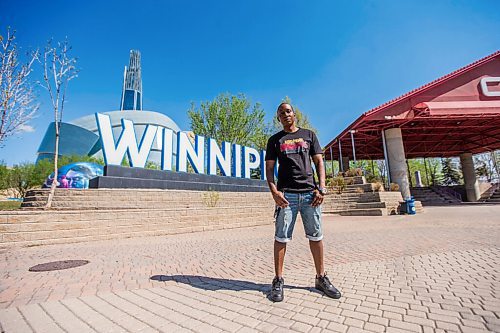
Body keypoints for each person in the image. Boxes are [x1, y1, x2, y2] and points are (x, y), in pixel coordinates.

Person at [265, 102, 341, 302]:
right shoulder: (274, 140)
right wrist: (274, 192)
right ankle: (278, 279)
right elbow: (270, 169)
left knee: (316, 236)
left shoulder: (309, 135)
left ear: (294, 114)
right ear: (278, 118)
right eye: (281, 113)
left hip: (310, 194)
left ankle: (321, 278)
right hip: (286, 196)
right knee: (281, 237)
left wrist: (322, 188)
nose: (285, 114)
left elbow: (319, 162)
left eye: (288, 111)